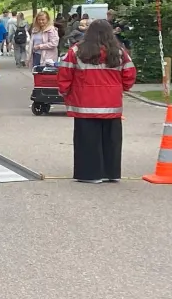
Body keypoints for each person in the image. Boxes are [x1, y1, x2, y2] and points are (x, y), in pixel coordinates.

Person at [57, 21, 135, 183]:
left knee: (87, 141)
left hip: (85, 104)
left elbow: (65, 73)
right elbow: (129, 74)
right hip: (111, 105)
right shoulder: (119, 52)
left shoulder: (77, 51)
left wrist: (64, 91)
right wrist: (121, 88)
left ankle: (90, 174)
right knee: (111, 141)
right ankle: (111, 173)